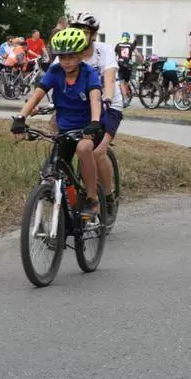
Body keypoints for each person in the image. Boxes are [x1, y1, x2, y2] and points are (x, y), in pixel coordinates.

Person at [11, 27, 104, 221]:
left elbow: (95, 99)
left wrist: (95, 122)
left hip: (89, 128)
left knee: (84, 148)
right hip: (65, 129)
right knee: (52, 170)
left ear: (81, 55)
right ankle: (65, 212)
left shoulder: (89, 74)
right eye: (62, 57)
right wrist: (21, 118)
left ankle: (92, 198)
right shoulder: (55, 72)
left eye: (71, 57)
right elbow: (36, 96)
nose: (66, 62)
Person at [68, 12, 124, 223]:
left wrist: (106, 98)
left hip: (109, 106)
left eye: (84, 31)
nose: (79, 35)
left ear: (93, 35)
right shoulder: (68, 50)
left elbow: (109, 78)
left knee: (98, 152)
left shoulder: (104, 51)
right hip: (81, 107)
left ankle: (108, 197)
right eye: (75, 31)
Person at [114, 32, 142, 106]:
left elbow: (115, 56)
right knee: (126, 83)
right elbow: (137, 54)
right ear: (128, 38)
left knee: (121, 82)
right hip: (129, 66)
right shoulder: (131, 45)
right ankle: (126, 97)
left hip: (121, 65)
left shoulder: (118, 45)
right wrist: (142, 61)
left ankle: (125, 100)